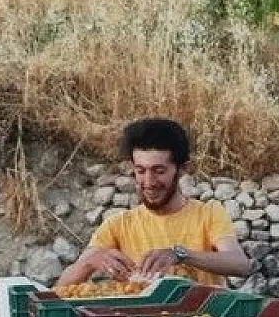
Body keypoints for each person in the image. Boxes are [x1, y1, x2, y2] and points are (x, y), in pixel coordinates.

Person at [56, 118, 252, 289]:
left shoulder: (208, 214)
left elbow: (240, 264)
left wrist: (181, 255)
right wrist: (90, 262)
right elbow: (60, 287)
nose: (149, 182)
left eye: (159, 171)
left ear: (182, 169)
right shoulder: (118, 225)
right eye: (141, 171)